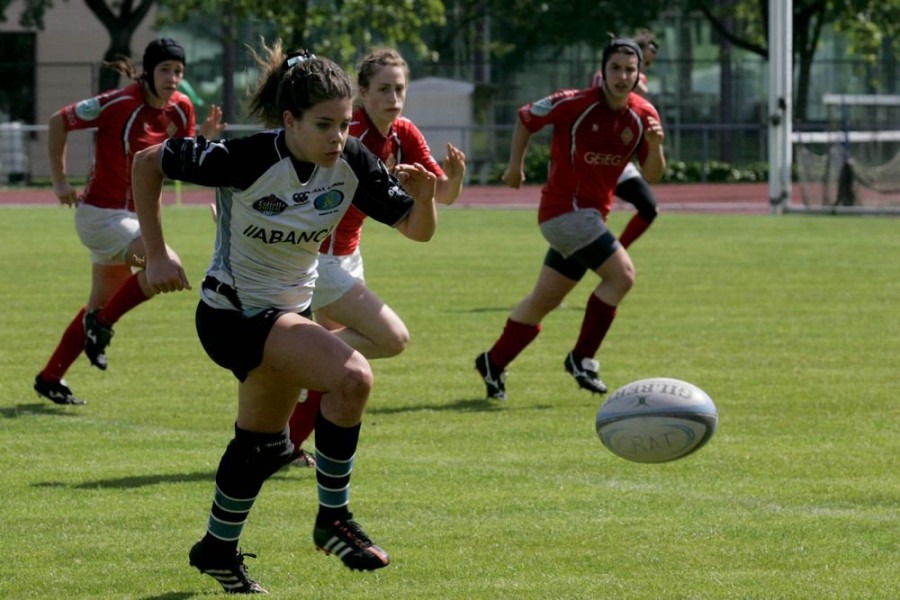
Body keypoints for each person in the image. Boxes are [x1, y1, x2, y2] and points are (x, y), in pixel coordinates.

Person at [131, 41, 437, 594]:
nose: (338, 137)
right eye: (324, 125)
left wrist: (427, 198)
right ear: (290, 120)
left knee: (262, 446)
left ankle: (217, 549)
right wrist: (156, 252)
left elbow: (417, 229)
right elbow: (148, 162)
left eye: (344, 125)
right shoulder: (247, 157)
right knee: (352, 377)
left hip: (285, 314)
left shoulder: (352, 162)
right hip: (232, 315)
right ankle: (332, 519)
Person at [285, 47, 466, 465]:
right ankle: (288, 357)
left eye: (399, 88)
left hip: (349, 255)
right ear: (361, 92)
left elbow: (440, 196)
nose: (393, 97)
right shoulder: (348, 133)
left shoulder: (403, 133)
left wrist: (452, 179)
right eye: (383, 89)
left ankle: (285, 447)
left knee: (335, 371)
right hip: (319, 258)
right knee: (391, 339)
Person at [33, 38, 224, 405]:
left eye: (179, 71)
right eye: (165, 70)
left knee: (104, 299)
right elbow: (59, 120)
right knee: (163, 266)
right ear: (148, 72)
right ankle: (101, 326)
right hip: (101, 218)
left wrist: (204, 141)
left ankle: (51, 376)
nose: (173, 78)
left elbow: (179, 160)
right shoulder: (119, 103)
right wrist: (59, 181)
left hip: (134, 223)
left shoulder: (181, 108)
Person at [474, 38, 666, 401]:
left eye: (630, 69)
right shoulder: (575, 102)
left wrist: (656, 147)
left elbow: (653, 175)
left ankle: (492, 362)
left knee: (542, 301)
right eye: (616, 68)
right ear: (602, 70)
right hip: (564, 212)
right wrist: (515, 166)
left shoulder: (644, 115)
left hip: (587, 218)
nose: (622, 76)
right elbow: (526, 117)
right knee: (622, 277)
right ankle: (582, 358)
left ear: (639, 73)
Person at [591, 30, 661, 249]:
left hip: (619, 160)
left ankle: (617, 251)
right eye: (643, 61)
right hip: (594, 159)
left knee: (649, 208)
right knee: (587, 217)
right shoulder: (611, 78)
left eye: (644, 65)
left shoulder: (634, 84)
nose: (643, 68)